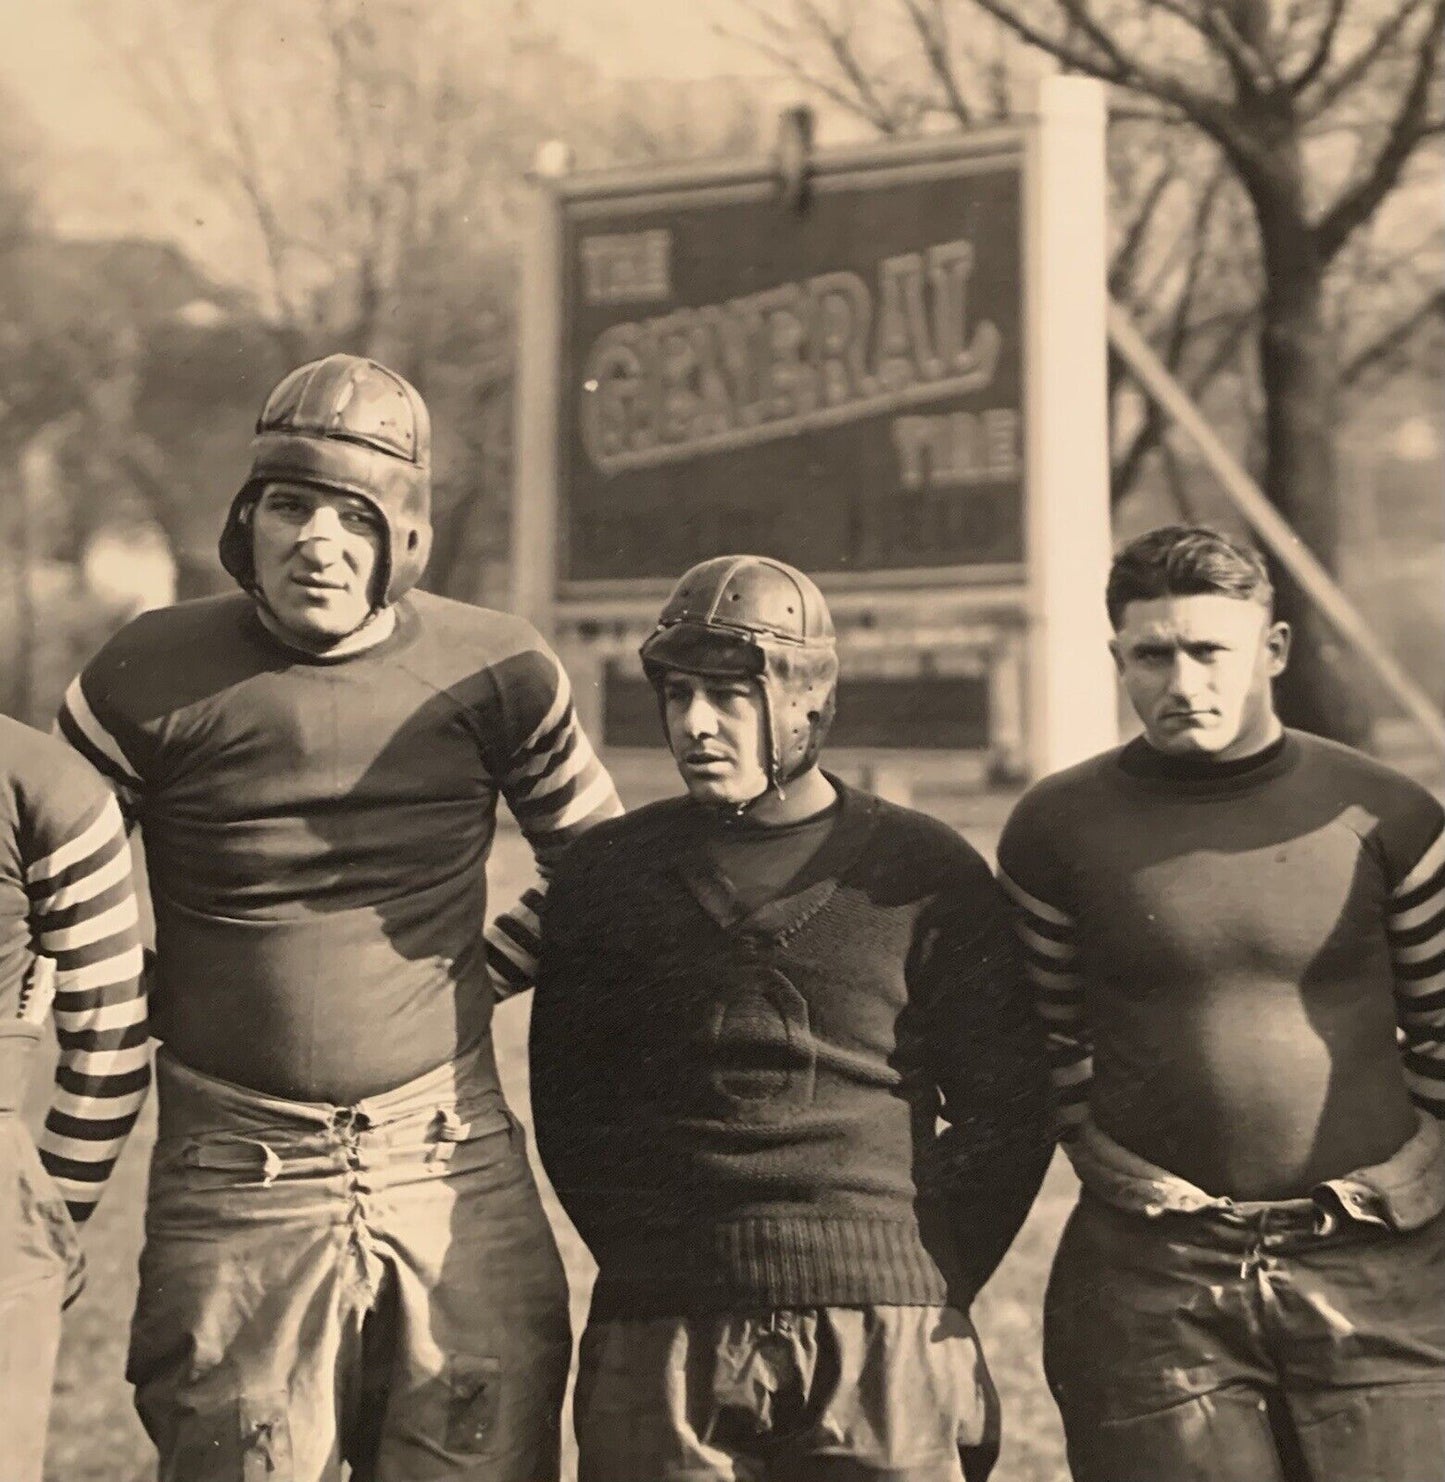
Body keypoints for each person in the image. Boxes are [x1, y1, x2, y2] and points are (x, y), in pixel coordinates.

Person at [56, 354, 623, 1482]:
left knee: (480, 1454)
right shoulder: (144, 670)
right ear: (245, 521)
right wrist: (130, 1007)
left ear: (404, 536)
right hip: (235, 1165)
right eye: (290, 505)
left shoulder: (496, 666)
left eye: (355, 515)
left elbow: (608, 874)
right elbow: (45, 898)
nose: (318, 541)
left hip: (449, 1155)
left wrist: (483, 969)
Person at [530, 554, 1053, 1482]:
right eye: (678, 693)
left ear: (807, 700)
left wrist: (918, 1274)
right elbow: (573, 1113)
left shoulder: (922, 872)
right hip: (663, 1330)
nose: (695, 723)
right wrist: (663, 1260)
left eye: (730, 695)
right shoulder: (607, 876)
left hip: (885, 1336)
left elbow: (1007, 1112)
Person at [997, 525, 1445, 1482]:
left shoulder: (1386, 814)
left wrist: (1404, 1185)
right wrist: (1118, 1171)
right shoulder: (1054, 828)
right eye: (1151, 655)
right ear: (1117, 657)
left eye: (1210, 651)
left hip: (1375, 1263)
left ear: (1271, 650)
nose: (1182, 681)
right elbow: (1046, 1036)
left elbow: (1443, 1026)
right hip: (1154, 1273)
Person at [1, 715, 149, 1482]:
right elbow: (109, 1046)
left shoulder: (41, 780)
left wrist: (49, 1218)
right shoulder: (40, 776)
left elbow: (111, 1040)